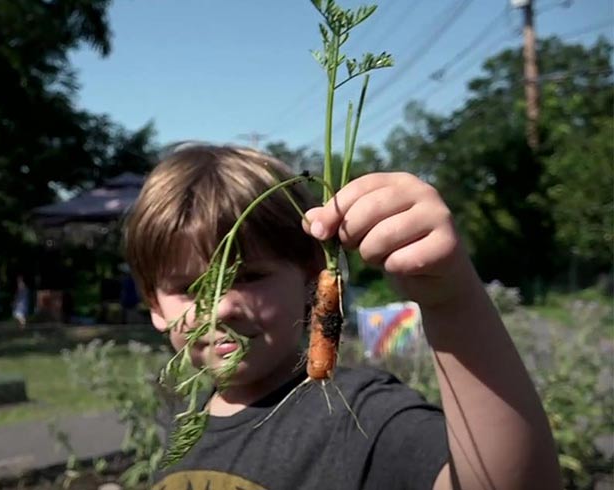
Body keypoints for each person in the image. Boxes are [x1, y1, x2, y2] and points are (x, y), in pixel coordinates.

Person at [125, 145, 561, 489]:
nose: (220, 307)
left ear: (312, 279)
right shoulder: (185, 423)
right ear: (155, 306)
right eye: (189, 288)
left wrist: (453, 302)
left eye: (251, 276)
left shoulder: (361, 416)